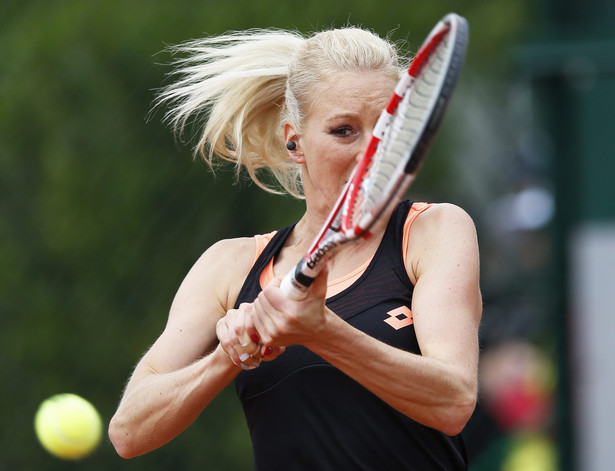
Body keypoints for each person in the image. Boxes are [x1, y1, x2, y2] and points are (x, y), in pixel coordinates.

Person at [109, 26, 482, 470]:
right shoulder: (231, 266)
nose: (371, 152)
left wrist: (321, 331)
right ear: (295, 141)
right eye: (344, 131)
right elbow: (129, 431)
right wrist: (229, 356)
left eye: (387, 131)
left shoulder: (434, 231)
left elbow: (454, 401)